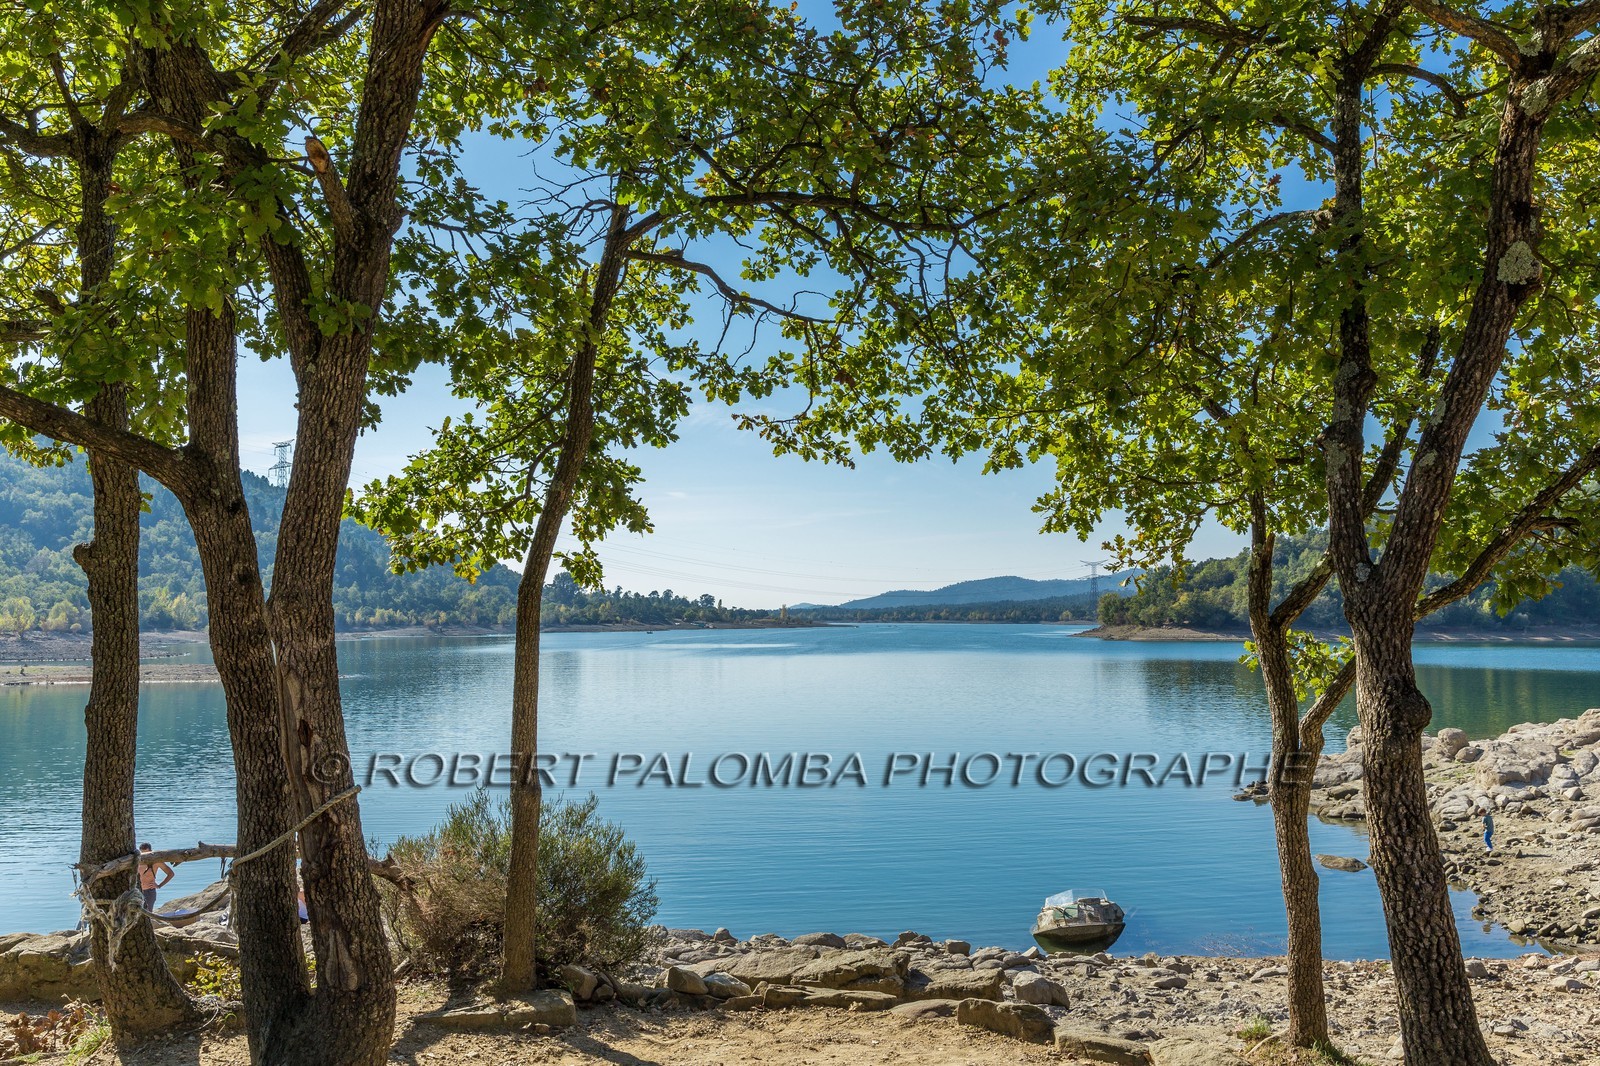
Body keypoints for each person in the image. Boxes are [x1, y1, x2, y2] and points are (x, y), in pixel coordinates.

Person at [138, 842, 175, 911]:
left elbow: (171, 874)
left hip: (149, 891)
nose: (145, 856)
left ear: (151, 851)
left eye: (146, 853)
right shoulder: (138, 861)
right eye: (142, 853)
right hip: (137, 891)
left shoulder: (157, 862)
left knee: (148, 913)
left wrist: (159, 885)